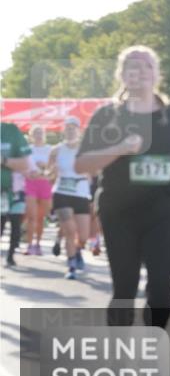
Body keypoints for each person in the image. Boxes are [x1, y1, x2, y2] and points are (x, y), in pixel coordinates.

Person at [76, 46, 170, 328]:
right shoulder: (107, 115)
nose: (139, 72)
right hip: (120, 211)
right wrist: (119, 148)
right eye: (132, 66)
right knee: (125, 288)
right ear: (121, 74)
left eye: (146, 66)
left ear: (157, 74)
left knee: (163, 289)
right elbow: (81, 165)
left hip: (164, 208)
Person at [48, 117, 93, 278]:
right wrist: (46, 174)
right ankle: (71, 266)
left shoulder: (85, 149)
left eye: (73, 128)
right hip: (61, 192)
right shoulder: (56, 150)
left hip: (81, 192)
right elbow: (50, 172)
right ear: (63, 130)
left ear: (79, 131)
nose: (70, 130)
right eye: (67, 128)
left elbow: (93, 170)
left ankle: (78, 251)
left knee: (83, 236)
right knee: (70, 231)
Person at [2, 122, 32, 267]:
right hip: (3, 193)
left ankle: (11, 255)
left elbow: (26, 167)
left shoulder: (12, 133)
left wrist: (5, 161)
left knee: (15, 225)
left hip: (16, 192)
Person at [23, 125, 54, 256]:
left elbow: (54, 167)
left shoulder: (50, 149)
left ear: (44, 134)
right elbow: (22, 166)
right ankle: (29, 245)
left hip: (45, 183)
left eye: (41, 131)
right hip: (30, 183)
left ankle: (38, 244)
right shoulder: (27, 149)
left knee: (41, 218)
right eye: (35, 132)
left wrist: (45, 167)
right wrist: (28, 173)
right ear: (31, 135)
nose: (38, 134)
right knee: (31, 217)